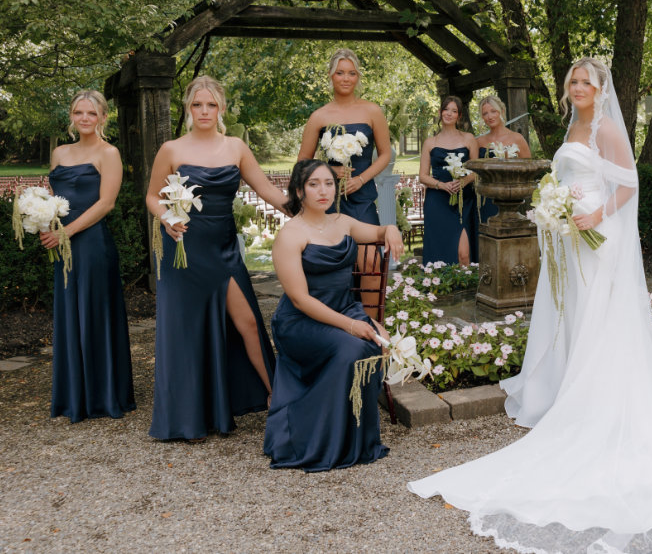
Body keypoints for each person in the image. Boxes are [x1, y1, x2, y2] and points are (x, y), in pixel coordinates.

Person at [409, 58, 652, 554]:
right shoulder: (574, 123)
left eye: (584, 82)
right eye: (572, 81)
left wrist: (593, 213)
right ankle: (573, 385)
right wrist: (555, 209)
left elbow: (628, 184)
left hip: (600, 232)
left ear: (599, 88)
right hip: (573, 234)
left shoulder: (609, 127)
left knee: (600, 316)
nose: (577, 88)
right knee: (578, 314)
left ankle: (599, 399)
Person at [146, 75, 286, 441]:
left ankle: (278, 396)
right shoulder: (171, 149)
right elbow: (151, 197)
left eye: (211, 104)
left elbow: (268, 190)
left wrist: (310, 210)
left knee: (248, 324)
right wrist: (166, 216)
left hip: (224, 251)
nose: (204, 111)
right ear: (188, 109)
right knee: (187, 333)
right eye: (197, 105)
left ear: (221, 108)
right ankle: (189, 417)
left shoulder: (236, 147)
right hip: (184, 253)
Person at [263, 159, 402, 471]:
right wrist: (354, 325)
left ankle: (356, 441)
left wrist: (390, 228)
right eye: (313, 184)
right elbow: (299, 300)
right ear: (299, 191)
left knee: (373, 345)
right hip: (301, 323)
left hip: (344, 311)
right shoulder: (290, 235)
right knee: (353, 347)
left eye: (328, 183)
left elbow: (379, 231)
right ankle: (311, 439)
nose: (323, 190)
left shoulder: (343, 222)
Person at [42, 91, 135, 422]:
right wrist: (44, 222)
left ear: (102, 118)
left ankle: (102, 395)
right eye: (78, 112)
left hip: (93, 244)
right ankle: (73, 396)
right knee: (70, 313)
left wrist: (67, 231)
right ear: (71, 115)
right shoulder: (59, 152)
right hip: (62, 245)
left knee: (95, 313)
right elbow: (55, 199)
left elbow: (105, 203)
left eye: (91, 113)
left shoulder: (108, 153)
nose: (84, 118)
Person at [297, 48, 392, 226]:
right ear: (331, 75)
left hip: (363, 197)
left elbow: (385, 154)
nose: (346, 79)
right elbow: (302, 162)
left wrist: (361, 180)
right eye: (340, 73)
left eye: (351, 73)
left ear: (358, 77)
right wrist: (329, 171)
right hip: (328, 199)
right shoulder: (318, 116)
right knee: (335, 252)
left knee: (371, 254)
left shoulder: (372, 111)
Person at [419, 96, 477, 265]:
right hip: (437, 200)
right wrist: (442, 185)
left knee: (463, 254)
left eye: (454, 111)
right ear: (440, 112)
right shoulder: (430, 142)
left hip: (463, 200)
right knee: (439, 248)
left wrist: (465, 181)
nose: (449, 114)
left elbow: (476, 170)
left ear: (459, 116)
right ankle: (440, 287)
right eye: (446, 110)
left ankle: (466, 288)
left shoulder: (468, 139)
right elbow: (423, 175)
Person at [474, 95, 530, 225]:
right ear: (482, 117)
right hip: (486, 198)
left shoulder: (517, 138)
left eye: (493, 111)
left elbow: (528, 170)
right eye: (485, 113)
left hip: (511, 198)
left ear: (502, 111)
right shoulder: (479, 142)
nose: (490, 116)